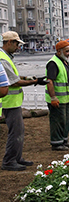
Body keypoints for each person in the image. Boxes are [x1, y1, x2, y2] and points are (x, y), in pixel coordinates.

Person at [0, 31, 49, 171]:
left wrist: (29, 78)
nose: (18, 47)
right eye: (16, 44)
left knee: (19, 131)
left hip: (12, 101)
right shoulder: (3, 59)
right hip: (9, 102)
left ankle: (16, 158)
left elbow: (14, 76)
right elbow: (14, 82)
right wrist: (34, 81)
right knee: (15, 132)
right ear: (9, 42)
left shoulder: (6, 57)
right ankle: (9, 161)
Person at [45, 41, 69, 151]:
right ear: (59, 51)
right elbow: (50, 81)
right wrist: (53, 97)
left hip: (64, 99)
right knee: (57, 121)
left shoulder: (63, 62)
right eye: (67, 51)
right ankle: (56, 142)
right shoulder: (53, 63)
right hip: (57, 99)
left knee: (65, 120)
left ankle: (64, 140)